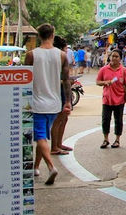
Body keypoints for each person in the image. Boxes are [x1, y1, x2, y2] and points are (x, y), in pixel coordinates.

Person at [24, 23, 71, 185]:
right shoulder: (61, 56)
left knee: (41, 137)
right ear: (52, 35)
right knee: (42, 136)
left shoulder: (31, 55)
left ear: (39, 36)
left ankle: (51, 167)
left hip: (36, 103)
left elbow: (25, 80)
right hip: (54, 103)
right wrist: (68, 102)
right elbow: (66, 81)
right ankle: (36, 167)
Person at [96, 49, 126, 148]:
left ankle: (117, 140)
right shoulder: (104, 69)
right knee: (105, 119)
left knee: (118, 120)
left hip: (119, 99)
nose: (114, 58)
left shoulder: (124, 71)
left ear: (120, 58)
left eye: (116, 56)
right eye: (112, 56)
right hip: (107, 99)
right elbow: (98, 81)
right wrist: (105, 82)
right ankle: (105, 139)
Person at [50, 35, 73, 156]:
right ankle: (54, 146)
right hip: (58, 90)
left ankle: (58, 143)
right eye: (65, 49)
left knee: (64, 118)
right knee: (58, 119)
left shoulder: (60, 58)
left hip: (63, 89)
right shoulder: (57, 58)